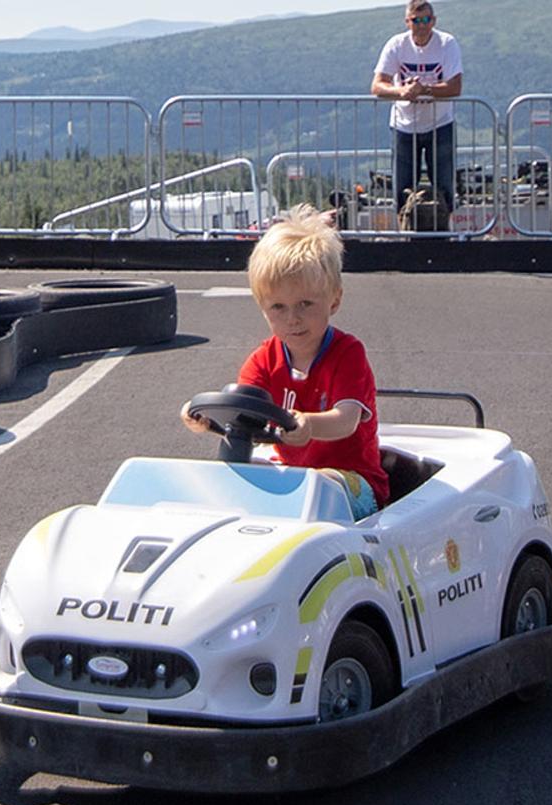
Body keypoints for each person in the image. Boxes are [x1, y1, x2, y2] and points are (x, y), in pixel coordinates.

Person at [181, 204, 388, 520]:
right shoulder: (264, 360)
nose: (293, 319)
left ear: (334, 299)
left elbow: (346, 420)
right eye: (278, 307)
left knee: (320, 489)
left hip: (352, 480)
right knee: (226, 479)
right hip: (294, 473)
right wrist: (206, 420)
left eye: (305, 304)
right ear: (263, 308)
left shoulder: (348, 354)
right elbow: (243, 416)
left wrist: (307, 423)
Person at [371, 0, 463, 223]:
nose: (422, 25)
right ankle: (406, 230)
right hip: (404, 125)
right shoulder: (396, 44)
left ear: (434, 21)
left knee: (444, 184)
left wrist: (425, 90)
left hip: (439, 123)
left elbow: (455, 86)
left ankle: (443, 231)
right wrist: (402, 91)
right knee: (402, 187)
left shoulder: (447, 43)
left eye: (426, 20)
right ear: (407, 22)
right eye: (416, 20)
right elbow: (377, 86)